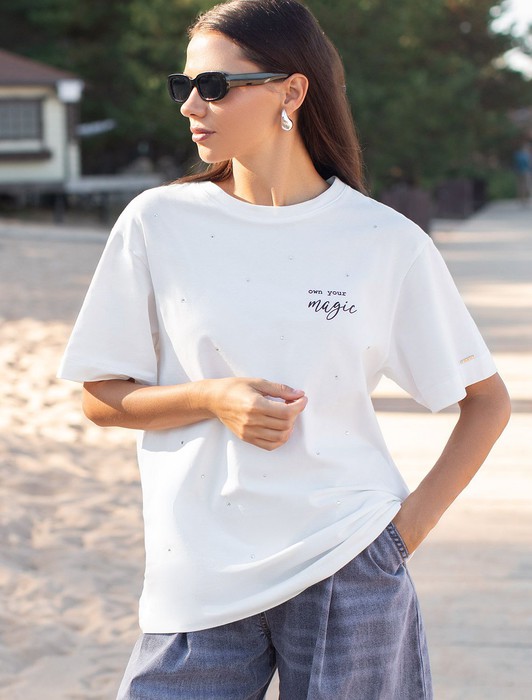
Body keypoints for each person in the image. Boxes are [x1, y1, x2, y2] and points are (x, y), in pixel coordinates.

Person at [58, 1, 511, 698]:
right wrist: (212, 398)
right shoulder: (157, 222)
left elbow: (485, 401)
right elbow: (99, 397)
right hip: (199, 577)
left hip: (347, 567)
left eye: (215, 86)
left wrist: (399, 540)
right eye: (184, 86)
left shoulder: (383, 241)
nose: (191, 106)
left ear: (292, 91)